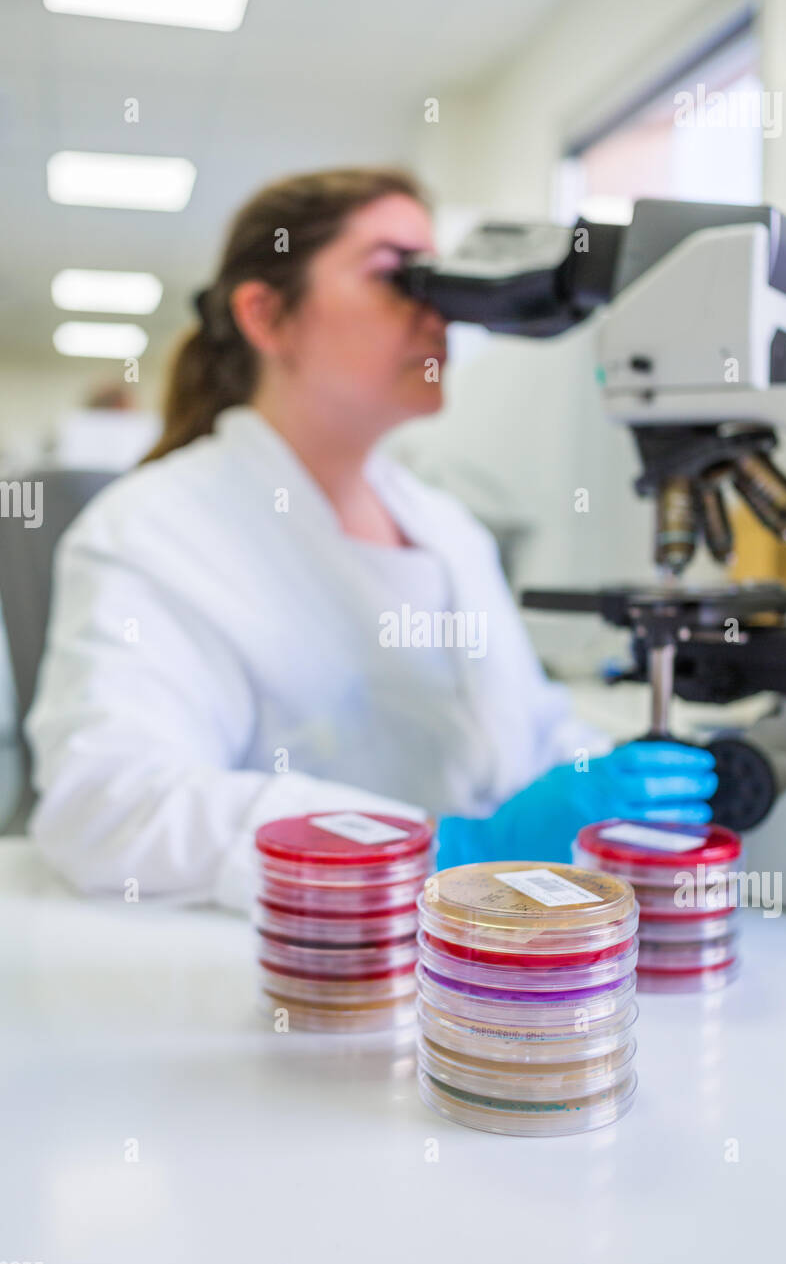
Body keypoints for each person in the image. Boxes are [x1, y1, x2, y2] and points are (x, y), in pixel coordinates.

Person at [26, 167, 715, 906]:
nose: (437, 312)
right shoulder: (151, 529)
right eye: (396, 275)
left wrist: (612, 788)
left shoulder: (447, 529)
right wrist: (432, 850)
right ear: (265, 315)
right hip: (282, 979)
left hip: (484, 968)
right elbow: (110, 805)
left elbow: (527, 740)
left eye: (438, 278)